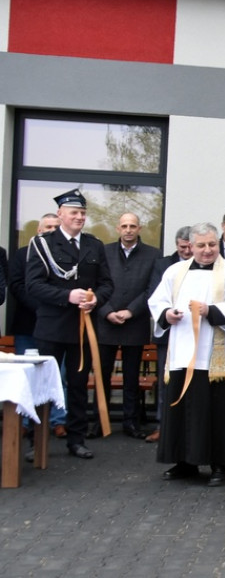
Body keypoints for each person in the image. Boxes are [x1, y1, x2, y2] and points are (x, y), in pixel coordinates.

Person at [148, 222, 225, 486]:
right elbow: (157, 301)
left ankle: (220, 465)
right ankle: (184, 461)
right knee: (184, 408)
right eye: (201, 245)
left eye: (212, 244)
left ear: (218, 243)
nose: (207, 250)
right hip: (182, 352)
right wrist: (167, 314)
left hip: (218, 358)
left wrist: (210, 311)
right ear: (190, 246)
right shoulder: (175, 271)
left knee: (219, 411)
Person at [25, 188, 114, 460]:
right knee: (42, 386)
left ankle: (77, 440)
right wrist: (67, 296)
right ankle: (36, 441)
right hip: (51, 327)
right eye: (74, 212)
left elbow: (106, 283)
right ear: (60, 214)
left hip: (82, 328)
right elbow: (33, 285)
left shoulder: (94, 245)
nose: (79, 217)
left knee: (78, 385)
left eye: (83, 213)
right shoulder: (42, 244)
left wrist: (95, 299)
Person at [95, 212, 161, 439]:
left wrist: (131, 311)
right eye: (124, 226)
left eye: (133, 226)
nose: (128, 230)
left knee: (131, 378)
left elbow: (152, 289)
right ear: (118, 228)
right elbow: (96, 284)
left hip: (135, 323)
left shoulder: (153, 254)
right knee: (102, 376)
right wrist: (107, 311)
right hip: (106, 322)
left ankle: (131, 423)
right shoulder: (104, 252)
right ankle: (99, 422)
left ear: (139, 228)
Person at [11, 213, 68, 437]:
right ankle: (26, 421)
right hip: (28, 324)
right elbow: (17, 285)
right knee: (26, 378)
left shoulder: (66, 255)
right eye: (47, 227)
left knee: (58, 376)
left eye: (55, 227)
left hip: (57, 326)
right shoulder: (22, 254)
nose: (51, 230)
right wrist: (42, 308)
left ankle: (58, 420)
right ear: (38, 230)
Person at [144, 225, 194, 444]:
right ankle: (162, 425)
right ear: (176, 245)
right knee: (167, 381)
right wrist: (167, 312)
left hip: (195, 333)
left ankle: (188, 426)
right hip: (169, 332)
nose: (187, 252)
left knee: (192, 380)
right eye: (183, 247)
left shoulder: (207, 266)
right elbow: (154, 294)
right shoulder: (163, 265)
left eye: (190, 247)